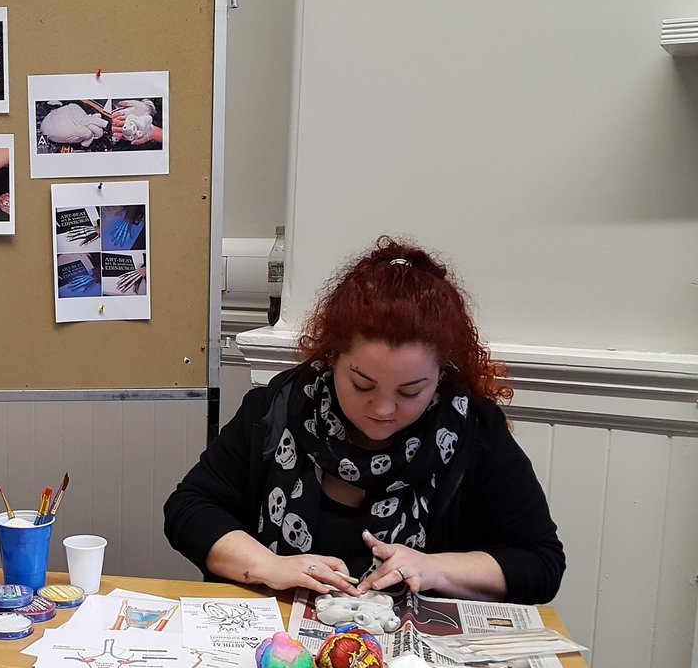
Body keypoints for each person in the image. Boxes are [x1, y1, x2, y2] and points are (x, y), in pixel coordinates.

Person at [164, 236, 565, 606]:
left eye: (410, 392)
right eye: (362, 385)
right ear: (333, 358)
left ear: (441, 374)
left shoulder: (472, 431)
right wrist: (269, 564)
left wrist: (434, 568)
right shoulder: (279, 408)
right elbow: (190, 509)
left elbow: (540, 563)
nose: (383, 409)